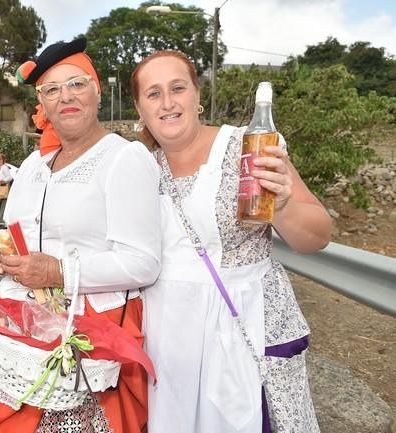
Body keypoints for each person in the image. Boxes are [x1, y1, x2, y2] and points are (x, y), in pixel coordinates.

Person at [0, 37, 162, 433]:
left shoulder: (123, 157)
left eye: (77, 84)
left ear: (97, 90)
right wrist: (0, 256)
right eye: (52, 90)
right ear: (43, 105)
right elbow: (13, 230)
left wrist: (58, 271)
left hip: (91, 329)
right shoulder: (34, 163)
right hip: (20, 320)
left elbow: (144, 263)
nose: (65, 96)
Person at [131, 51, 331, 433]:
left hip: (246, 328)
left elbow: (317, 236)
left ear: (197, 96)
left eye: (178, 88)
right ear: (140, 109)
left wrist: (283, 206)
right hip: (170, 344)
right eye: (153, 94)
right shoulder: (140, 168)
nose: (168, 102)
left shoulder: (250, 146)